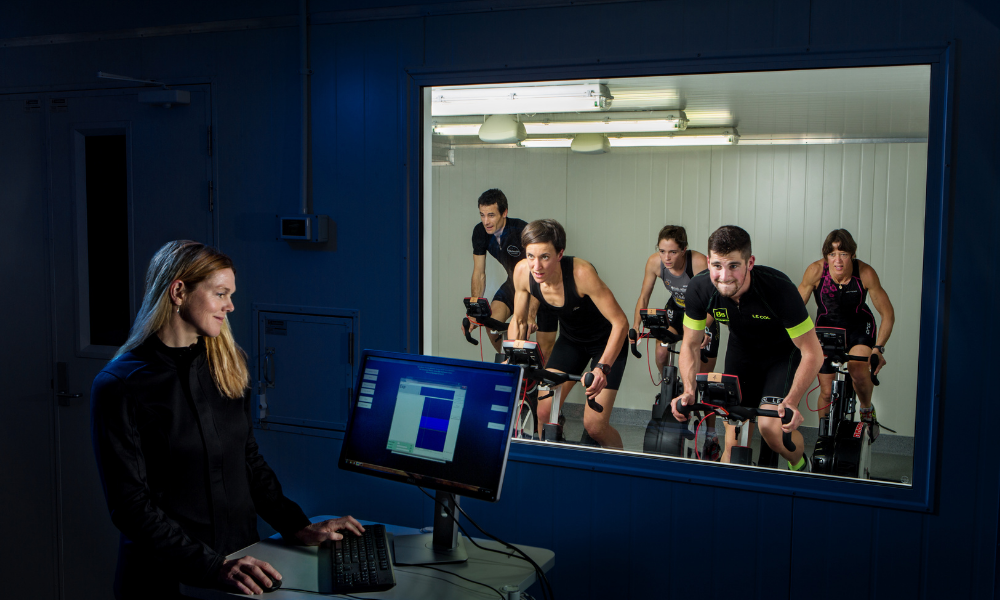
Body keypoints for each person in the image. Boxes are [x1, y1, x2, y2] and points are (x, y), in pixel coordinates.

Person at [91, 241, 364, 599]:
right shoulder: (119, 385)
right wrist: (211, 565)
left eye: (230, 294)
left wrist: (297, 526)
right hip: (165, 581)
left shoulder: (228, 363)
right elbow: (130, 507)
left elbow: (248, 460)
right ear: (178, 291)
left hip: (241, 570)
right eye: (220, 293)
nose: (230, 306)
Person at [671, 226, 824, 470]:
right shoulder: (700, 289)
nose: (724, 276)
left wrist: (792, 401)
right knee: (732, 447)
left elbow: (813, 352)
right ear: (708, 262)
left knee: (769, 427)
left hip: (781, 355)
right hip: (742, 352)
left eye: (734, 266)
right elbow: (689, 345)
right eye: (717, 265)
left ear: (749, 262)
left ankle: (801, 465)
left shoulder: (779, 289)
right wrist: (689, 390)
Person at [508, 219, 629, 449]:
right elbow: (519, 319)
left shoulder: (581, 273)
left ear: (560, 253)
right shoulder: (523, 272)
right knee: (543, 412)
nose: (536, 266)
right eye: (530, 256)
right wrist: (513, 355)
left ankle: (619, 471)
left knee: (594, 426)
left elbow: (620, 323)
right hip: (571, 342)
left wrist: (603, 368)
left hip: (606, 344)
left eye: (545, 257)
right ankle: (552, 469)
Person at [632, 224, 721, 459]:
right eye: (662, 251)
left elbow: (717, 300)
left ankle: (711, 436)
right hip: (678, 310)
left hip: (705, 313)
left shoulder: (700, 263)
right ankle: (670, 391)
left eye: (672, 252)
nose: (667, 258)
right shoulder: (655, 263)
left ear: (684, 250)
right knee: (662, 353)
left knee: (702, 381)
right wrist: (636, 325)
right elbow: (644, 296)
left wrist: (704, 329)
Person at [797, 229, 895, 439]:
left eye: (843, 254)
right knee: (825, 390)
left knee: (858, 370)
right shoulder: (815, 271)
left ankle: (866, 408)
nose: (838, 260)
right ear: (826, 257)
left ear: (852, 254)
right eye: (832, 254)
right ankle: (824, 438)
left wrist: (878, 348)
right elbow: (793, 310)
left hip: (859, 327)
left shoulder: (865, 273)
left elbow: (888, 314)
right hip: (827, 329)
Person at [468, 188, 557, 357]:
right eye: (482, 215)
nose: (486, 221)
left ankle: (536, 377)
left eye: (491, 215)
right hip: (515, 282)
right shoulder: (480, 232)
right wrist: (474, 309)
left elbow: (538, 274)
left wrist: (530, 314)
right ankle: (513, 360)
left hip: (544, 286)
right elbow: (479, 273)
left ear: (504, 213)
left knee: (544, 352)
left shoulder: (522, 231)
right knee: (491, 321)